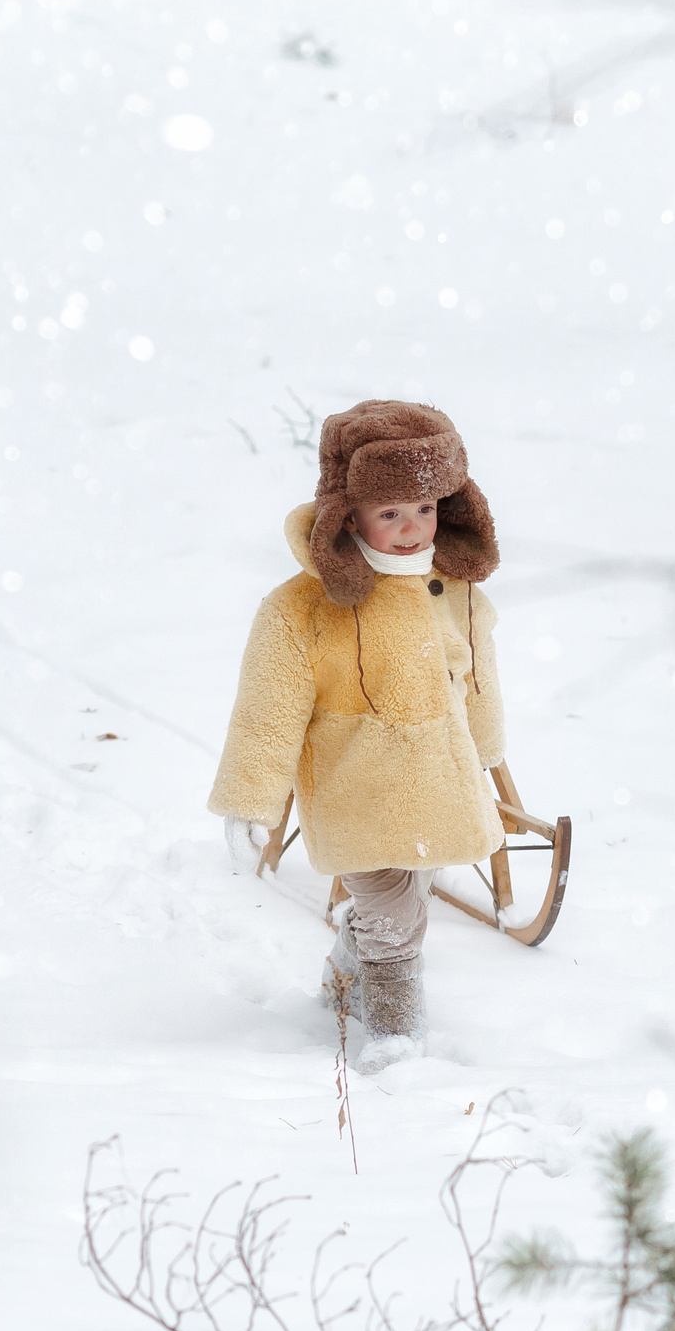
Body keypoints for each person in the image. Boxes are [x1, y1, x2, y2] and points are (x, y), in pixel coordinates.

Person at [209, 400, 507, 1071]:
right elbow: (267, 710)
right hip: (354, 787)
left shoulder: (453, 589)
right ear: (350, 512)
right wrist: (249, 798)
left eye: (425, 510)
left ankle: (344, 975)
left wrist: (486, 752)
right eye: (390, 512)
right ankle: (396, 1032)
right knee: (397, 912)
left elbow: (477, 676)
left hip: (439, 785)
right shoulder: (302, 608)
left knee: (411, 890)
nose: (410, 529)